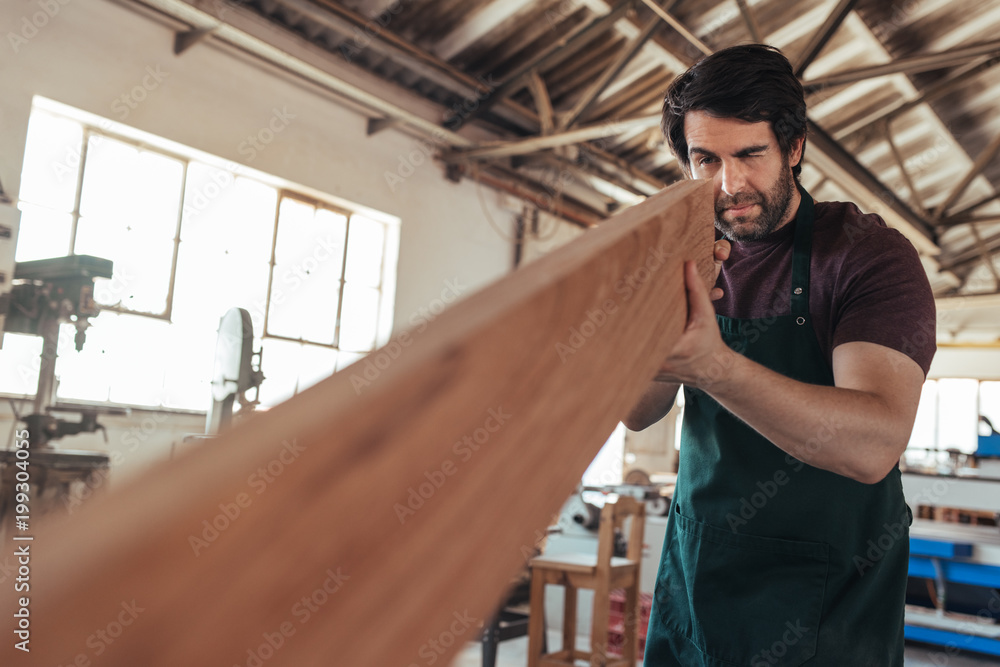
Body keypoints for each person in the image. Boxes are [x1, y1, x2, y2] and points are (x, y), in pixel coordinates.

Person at [625, 44, 936, 666]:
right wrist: (660, 332)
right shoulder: (685, 255)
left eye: (750, 155)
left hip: (826, 612)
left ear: (793, 148)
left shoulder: (867, 257)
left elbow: (872, 444)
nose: (729, 184)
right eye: (705, 159)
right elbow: (636, 413)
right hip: (699, 580)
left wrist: (712, 363)